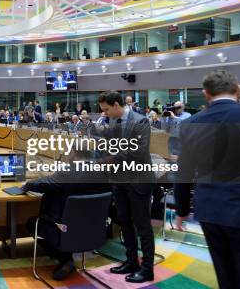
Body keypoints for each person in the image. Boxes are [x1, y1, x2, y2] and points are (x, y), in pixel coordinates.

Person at [174, 70, 240, 288]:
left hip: (210, 211)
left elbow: (184, 172)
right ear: (238, 89)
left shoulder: (190, 124)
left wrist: (182, 210)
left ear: (206, 94)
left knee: (224, 272)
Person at [23, 147, 110, 281]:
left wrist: (27, 184)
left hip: (65, 230)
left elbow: (43, 184)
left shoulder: (67, 172)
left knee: (32, 223)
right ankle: (68, 258)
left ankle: (65, 259)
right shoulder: (104, 173)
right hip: (95, 230)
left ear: (74, 154)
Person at [97, 91, 154, 283]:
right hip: (119, 181)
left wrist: (111, 158)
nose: (104, 113)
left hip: (138, 181)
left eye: (106, 109)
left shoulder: (141, 121)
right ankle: (131, 261)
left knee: (143, 225)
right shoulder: (113, 121)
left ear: (115, 105)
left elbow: (139, 150)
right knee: (125, 223)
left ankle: (147, 269)